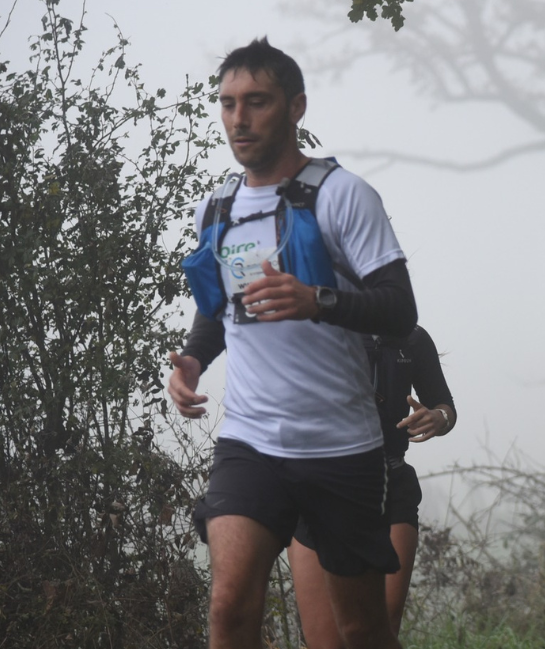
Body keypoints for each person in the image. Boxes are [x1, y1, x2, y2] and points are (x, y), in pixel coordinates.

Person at [166, 38, 416, 649]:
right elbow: (219, 310)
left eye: (256, 102)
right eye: (227, 103)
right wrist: (194, 360)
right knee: (227, 607)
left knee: (358, 626)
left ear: (295, 107)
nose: (239, 118)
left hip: (342, 447)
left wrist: (319, 300)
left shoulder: (342, 194)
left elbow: (400, 311)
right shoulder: (218, 206)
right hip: (251, 440)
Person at [286, 326, 457, 648]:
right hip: (318, 487)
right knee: (324, 639)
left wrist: (439, 418)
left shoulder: (411, 337)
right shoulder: (313, 329)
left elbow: (444, 404)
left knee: (383, 625)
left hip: (390, 481)